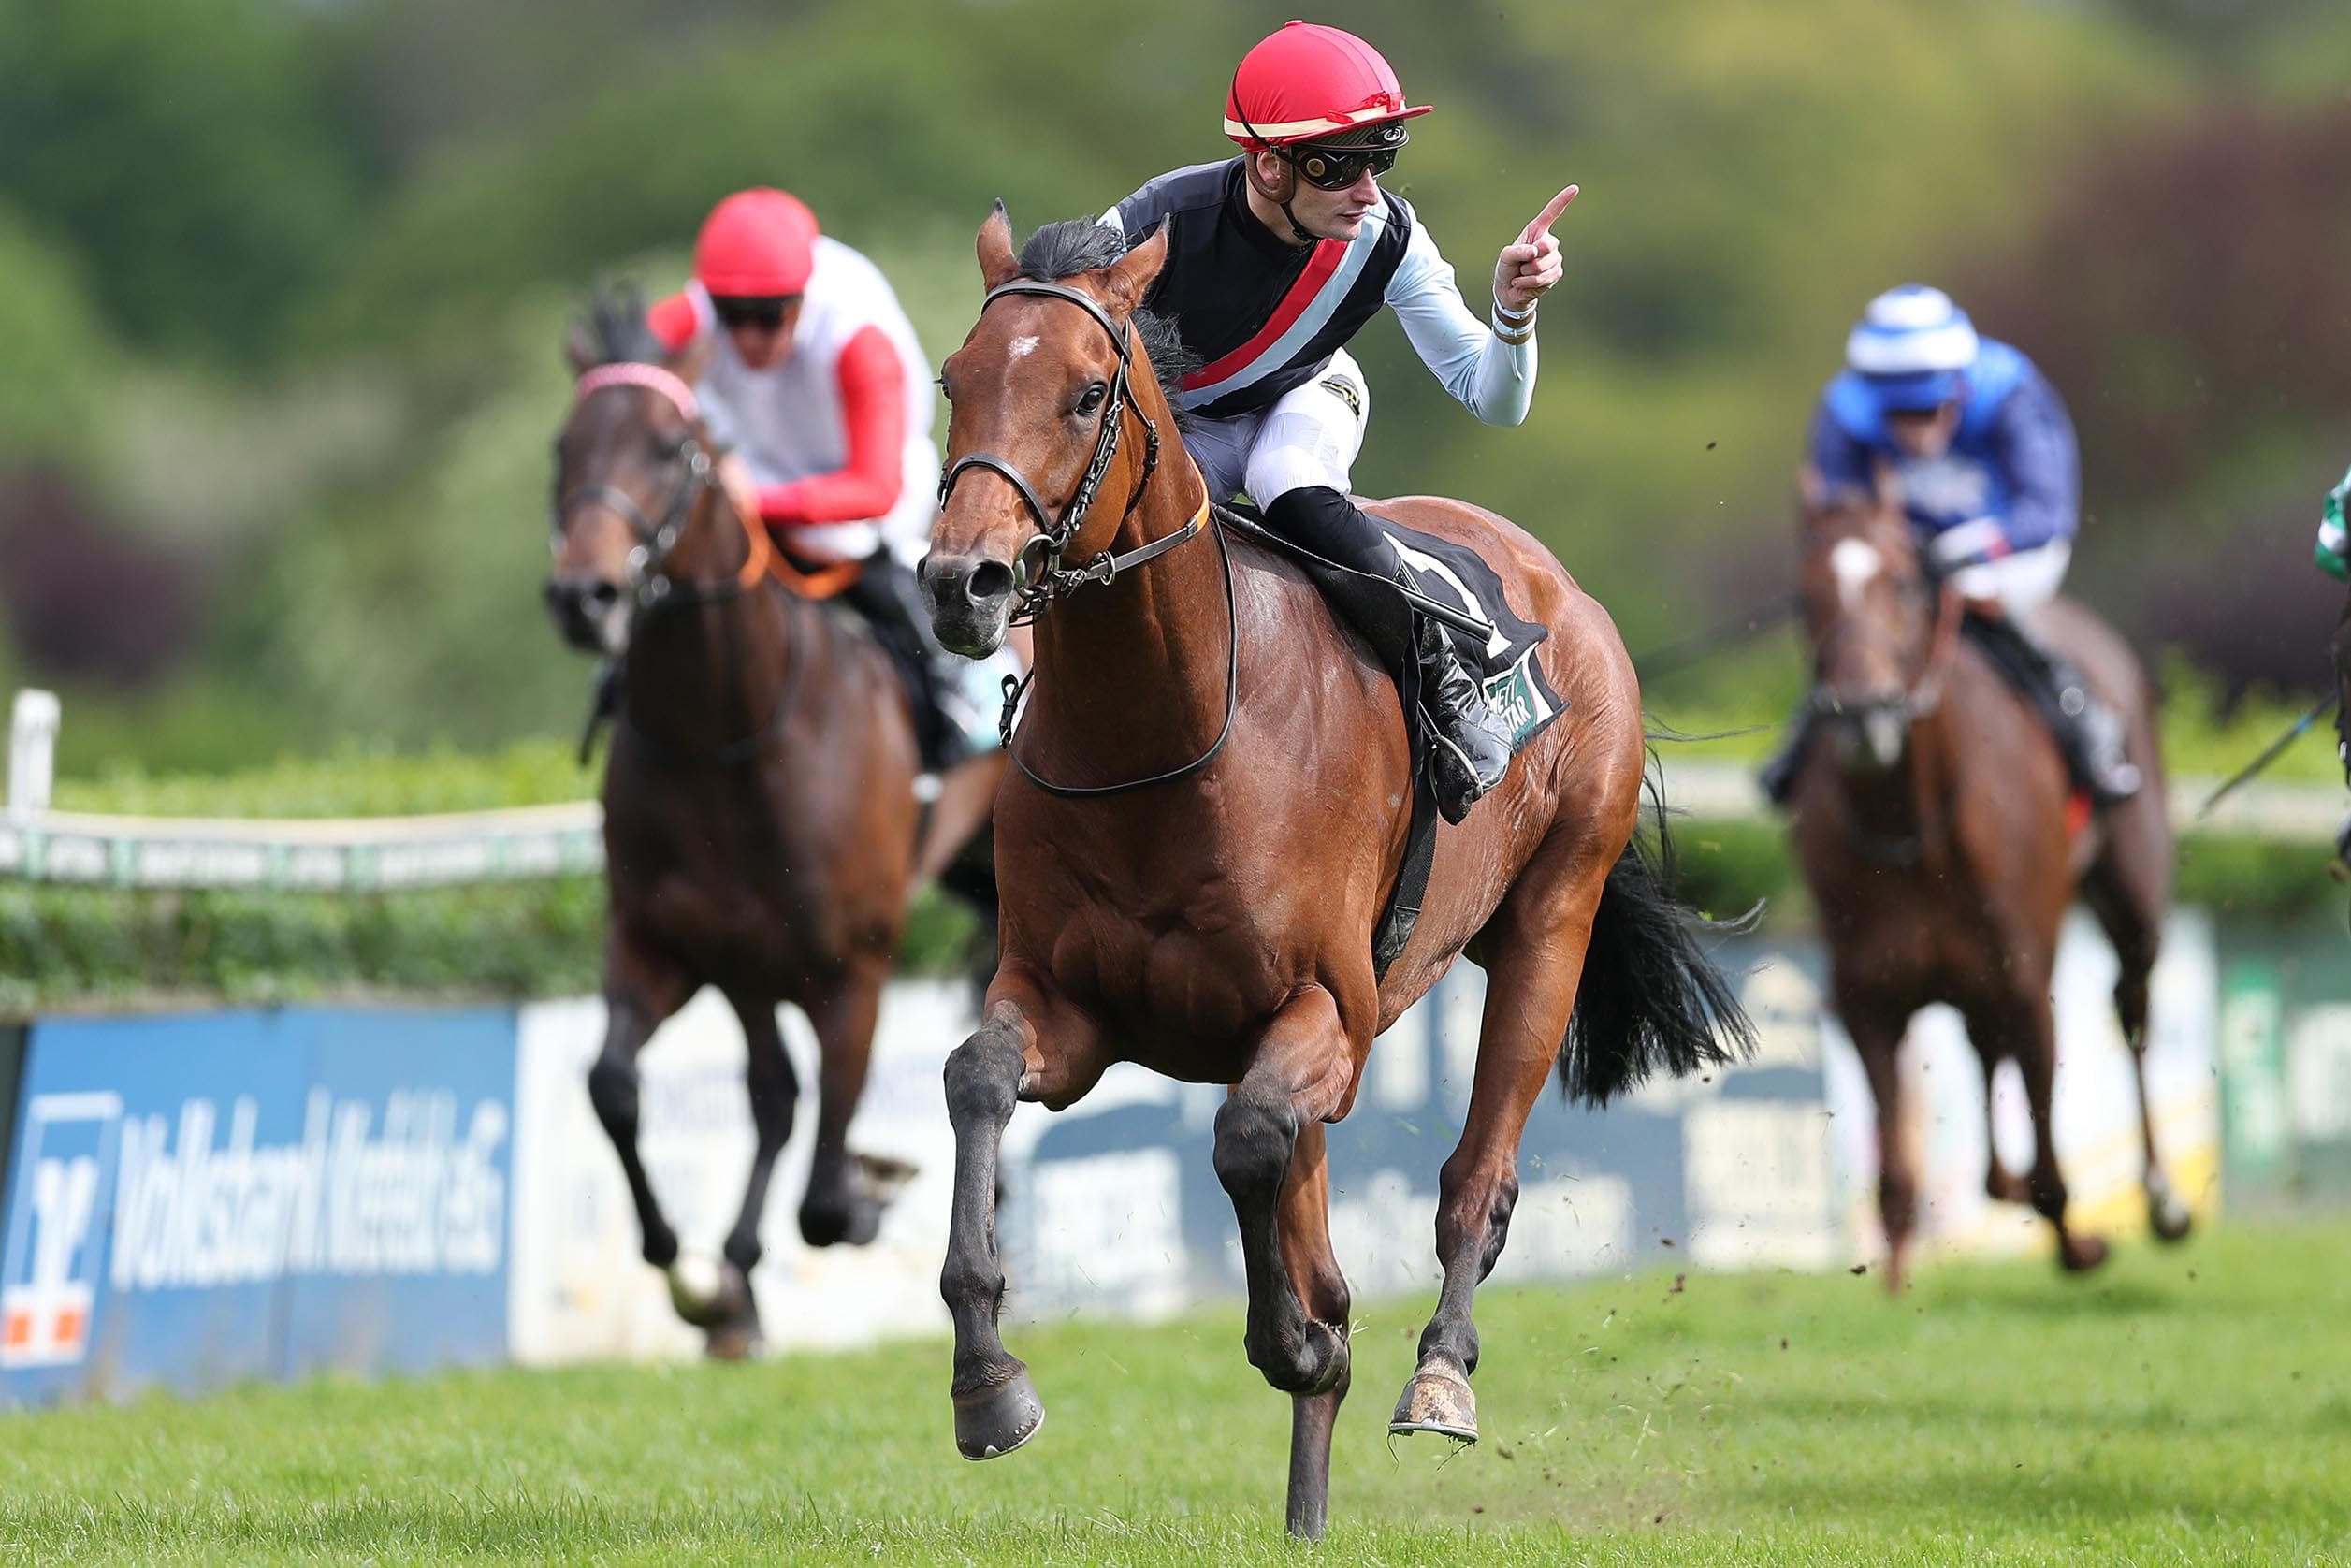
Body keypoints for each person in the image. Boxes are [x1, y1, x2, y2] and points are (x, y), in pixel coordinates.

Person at [1097, 21, 1575, 823]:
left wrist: (1511, 311)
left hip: (1308, 391)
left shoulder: (1390, 238)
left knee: (1283, 478)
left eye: (1379, 160)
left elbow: (1494, 401)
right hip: (1187, 426)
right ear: (1269, 165)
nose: (1368, 191)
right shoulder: (1153, 218)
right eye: (1342, 165)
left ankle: (1448, 679)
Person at [1761, 283, 2141, 807]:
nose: (1918, 433)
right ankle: (1805, 734)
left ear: (1959, 388)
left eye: (1931, 409)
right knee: (1857, 610)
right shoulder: (1845, 412)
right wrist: (1895, 553)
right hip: (1904, 556)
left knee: (1980, 595)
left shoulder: (2012, 396)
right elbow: (1842, 520)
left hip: (2013, 550)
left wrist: (1969, 550)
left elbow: (2045, 514)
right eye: (1900, 415)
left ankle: (2085, 725)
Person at [646, 186, 966, 772]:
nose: (747, 339)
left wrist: (752, 501)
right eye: (731, 317)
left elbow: (876, 488)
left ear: (801, 301)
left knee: (889, 588)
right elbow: (623, 373)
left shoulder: (858, 337)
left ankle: (957, 707)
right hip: (756, 468)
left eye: (767, 319)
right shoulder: (707, 302)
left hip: (864, 506)